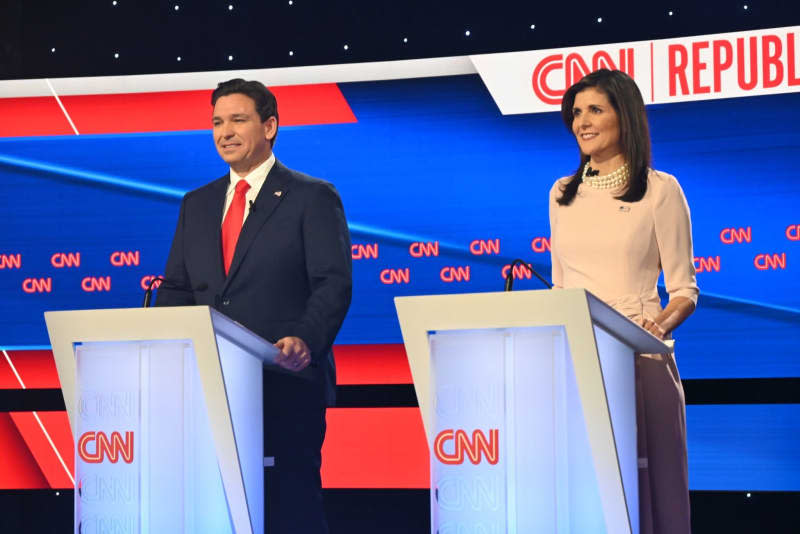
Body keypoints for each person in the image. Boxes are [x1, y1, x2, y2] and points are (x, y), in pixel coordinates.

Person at [156, 78, 352, 533]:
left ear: (270, 127)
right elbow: (177, 289)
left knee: (289, 511)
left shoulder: (311, 196)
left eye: (238, 120)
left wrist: (305, 337)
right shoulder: (197, 204)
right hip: (211, 390)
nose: (224, 131)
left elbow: (333, 282)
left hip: (283, 385)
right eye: (217, 122)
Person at [548, 69, 697, 534]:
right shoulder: (560, 194)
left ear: (625, 117)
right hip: (576, 363)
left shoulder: (660, 190)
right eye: (576, 112)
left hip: (639, 360)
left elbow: (684, 290)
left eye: (595, 110)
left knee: (648, 494)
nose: (582, 122)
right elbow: (559, 289)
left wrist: (657, 325)